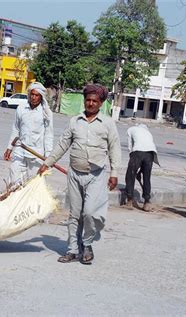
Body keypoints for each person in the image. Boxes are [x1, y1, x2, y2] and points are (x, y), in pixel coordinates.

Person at [38, 84, 121, 265]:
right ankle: (73, 250)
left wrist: (114, 173)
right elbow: (62, 144)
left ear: (101, 103)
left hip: (96, 175)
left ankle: (88, 243)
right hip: (74, 174)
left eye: (94, 101)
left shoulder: (107, 123)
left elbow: (114, 149)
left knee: (90, 212)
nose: (90, 103)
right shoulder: (75, 121)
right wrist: (47, 163)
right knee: (74, 214)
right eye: (88, 100)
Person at [3, 82, 53, 186]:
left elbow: (48, 135)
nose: (34, 97)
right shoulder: (21, 108)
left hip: (36, 154)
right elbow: (16, 129)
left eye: (37, 95)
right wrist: (9, 148)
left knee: (33, 184)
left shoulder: (46, 113)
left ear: (41, 97)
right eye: (32, 94)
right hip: (20, 150)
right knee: (14, 180)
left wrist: (48, 157)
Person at [124, 124, 159, 212]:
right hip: (150, 153)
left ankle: (130, 200)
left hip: (138, 152)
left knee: (130, 175)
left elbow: (130, 145)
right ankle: (147, 202)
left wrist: (132, 159)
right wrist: (140, 172)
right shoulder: (148, 133)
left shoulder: (131, 129)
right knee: (147, 177)